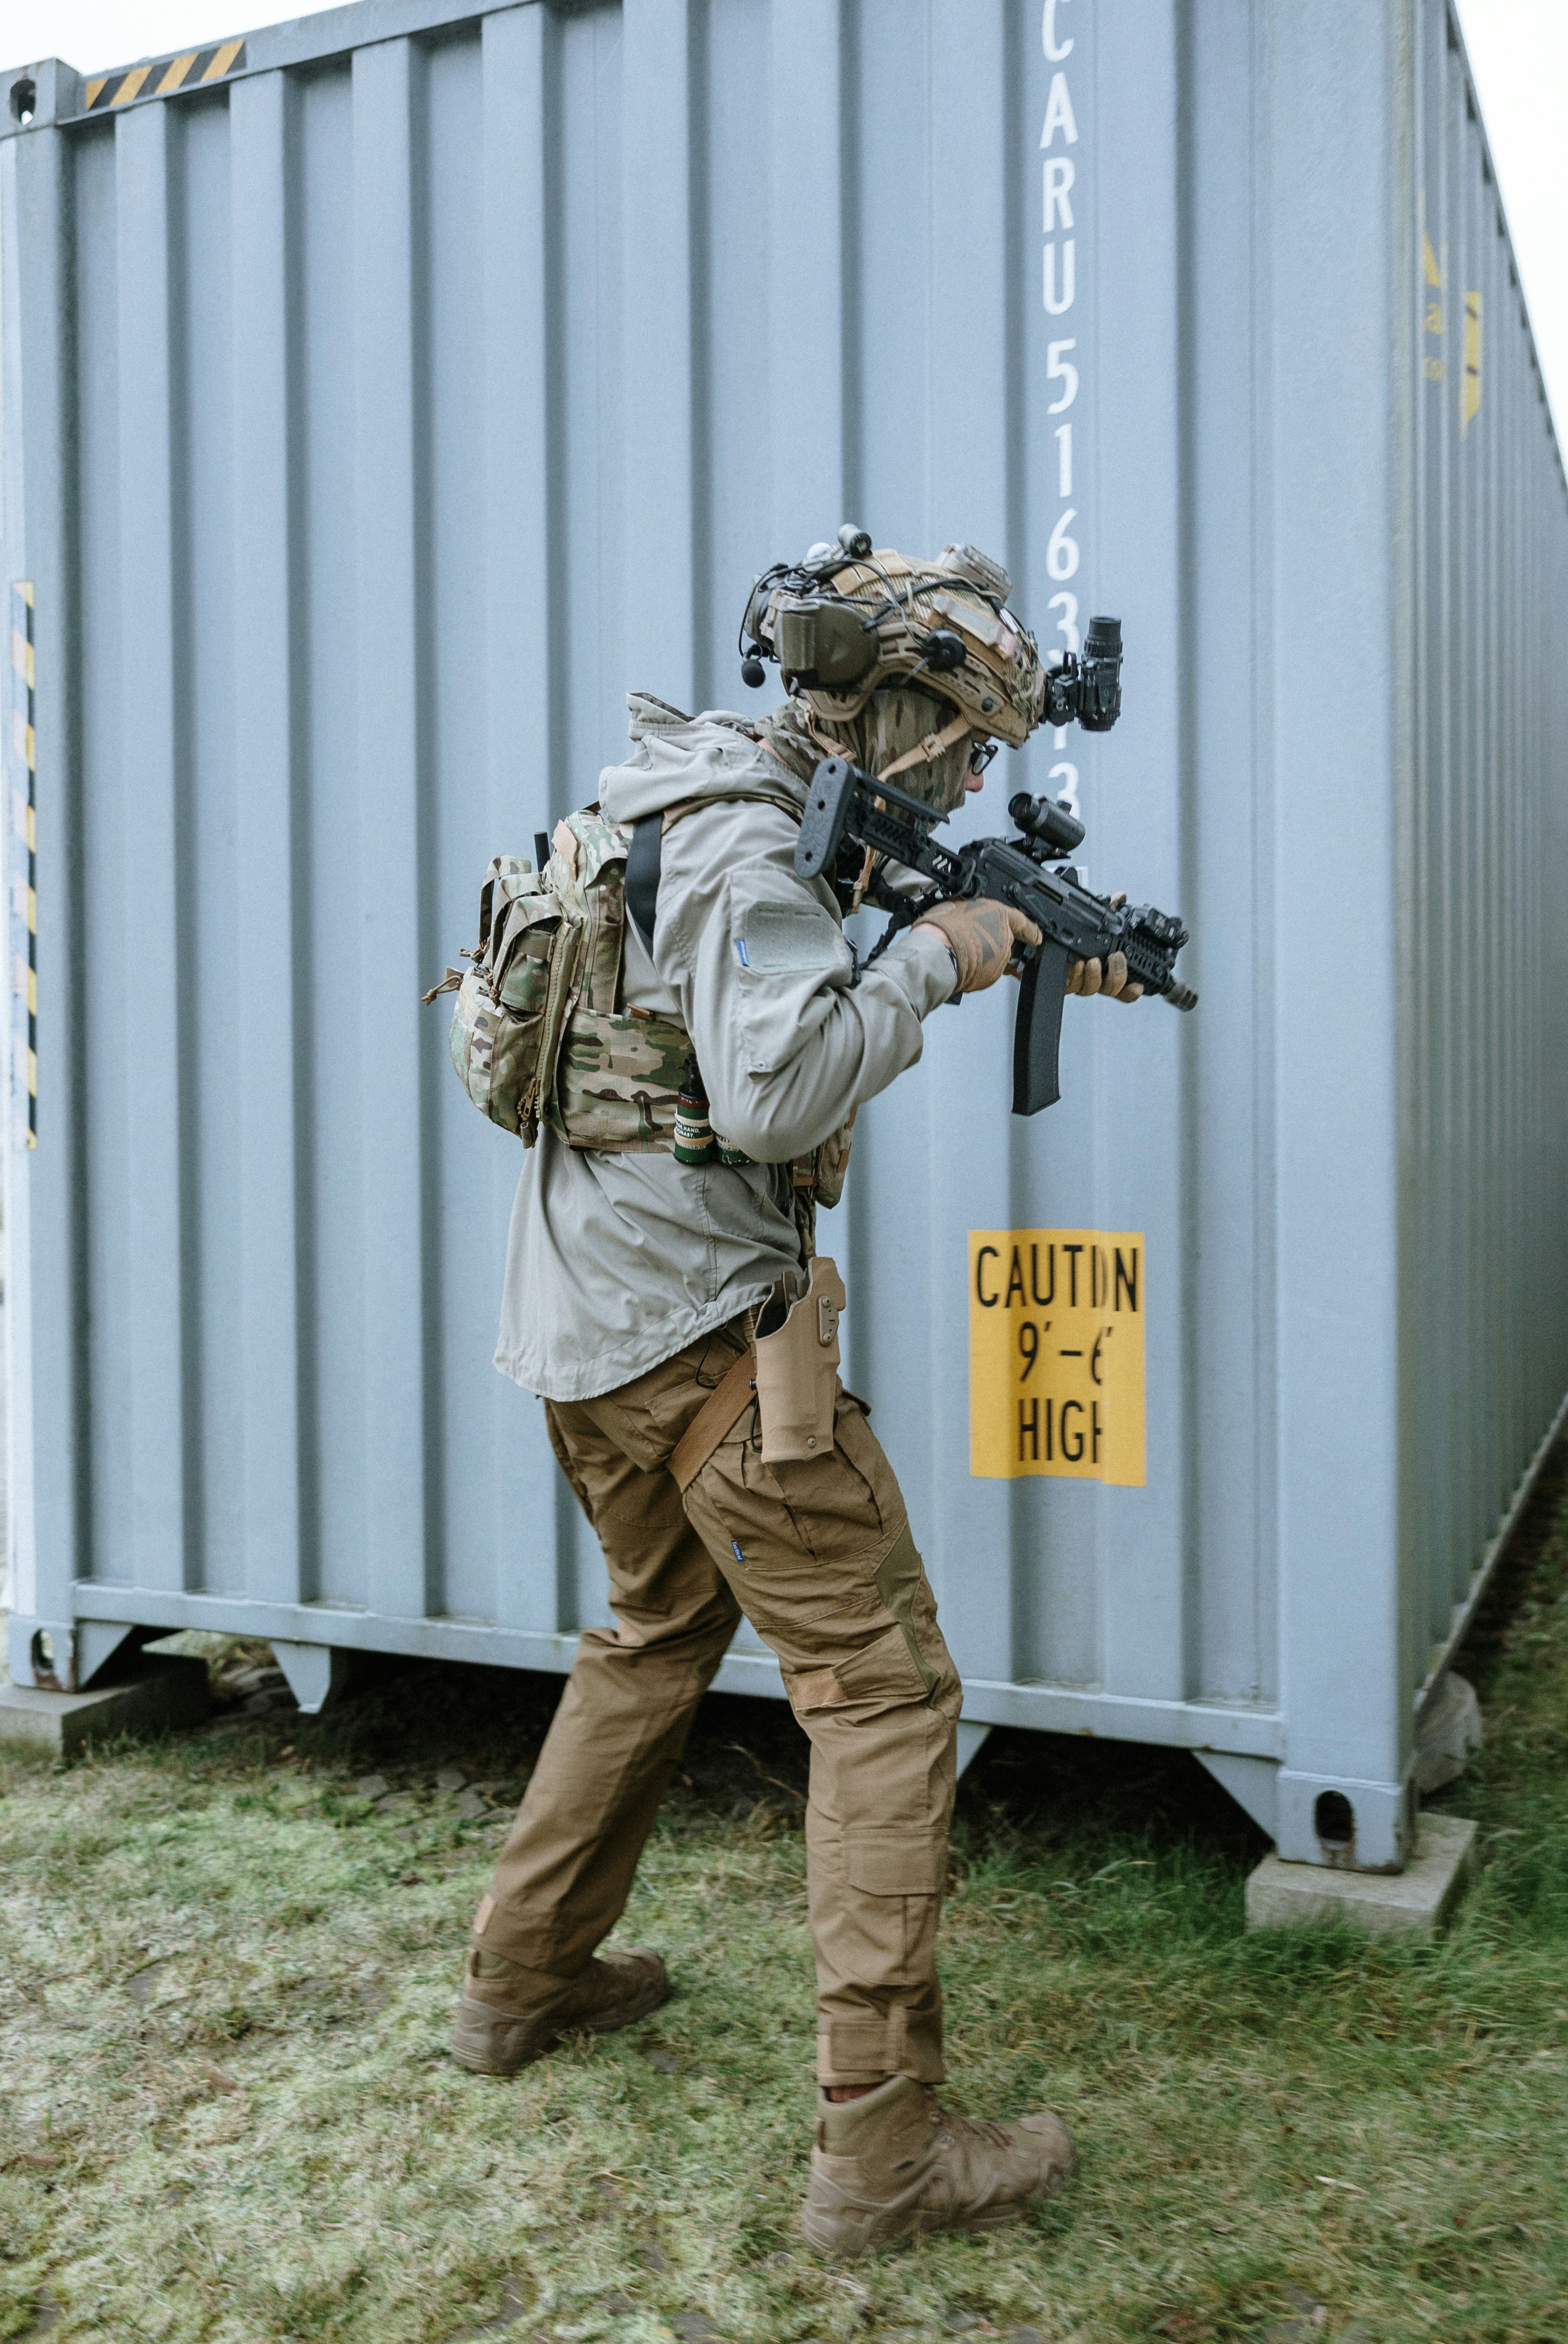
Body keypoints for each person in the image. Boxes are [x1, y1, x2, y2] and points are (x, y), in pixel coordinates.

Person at [449, 539, 1137, 2258]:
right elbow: (776, 1089)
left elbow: (708, 1029)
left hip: (584, 1330)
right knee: (887, 1696)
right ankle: (883, 2165)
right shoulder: (757, 840)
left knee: (656, 1636)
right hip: (698, 1347)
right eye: (969, 739)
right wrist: (946, 957)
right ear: (900, 711)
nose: (978, 772)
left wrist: (971, 930)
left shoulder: (680, 797)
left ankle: (519, 1988)